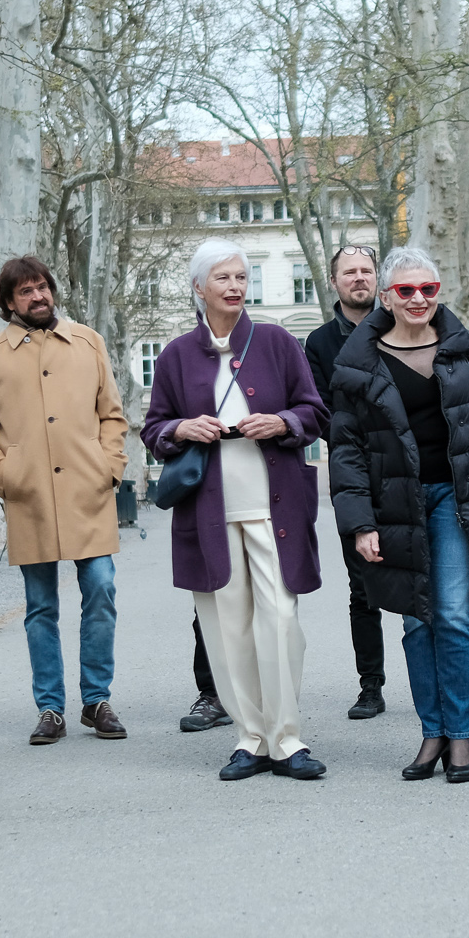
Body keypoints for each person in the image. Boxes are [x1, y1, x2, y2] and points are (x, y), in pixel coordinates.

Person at [327, 246, 469, 783]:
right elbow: (344, 448)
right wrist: (360, 523)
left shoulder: (462, 349)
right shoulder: (357, 363)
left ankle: (461, 736)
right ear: (387, 297)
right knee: (416, 619)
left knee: (454, 615)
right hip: (396, 504)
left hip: (458, 497)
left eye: (428, 290)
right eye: (407, 291)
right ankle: (431, 731)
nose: (418, 299)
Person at [142, 239, 330, 780]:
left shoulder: (275, 342)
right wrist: (181, 427)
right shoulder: (176, 354)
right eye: (222, 278)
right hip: (210, 511)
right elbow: (154, 428)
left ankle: (287, 740)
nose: (234, 286)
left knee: (280, 621)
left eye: (241, 278)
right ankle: (248, 739)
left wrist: (281, 422)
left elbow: (314, 411)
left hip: (277, 509)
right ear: (199, 288)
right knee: (227, 628)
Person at [0, 256, 132, 745]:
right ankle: (51, 708)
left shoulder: (87, 342)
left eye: (42, 287)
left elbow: (113, 416)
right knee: (40, 606)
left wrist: (110, 467)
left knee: (100, 589)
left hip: (89, 490)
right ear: (8, 302)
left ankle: (97, 700)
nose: (37, 297)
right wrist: (6, 477)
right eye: (25, 292)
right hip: (30, 497)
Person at [302, 243, 390, 720]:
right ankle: (370, 685)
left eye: (366, 270)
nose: (359, 278)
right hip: (353, 475)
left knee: (421, 580)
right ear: (334, 282)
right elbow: (320, 412)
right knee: (364, 587)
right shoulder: (319, 343)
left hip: (407, 472)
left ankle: (429, 676)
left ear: (377, 278)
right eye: (349, 272)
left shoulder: (402, 327)